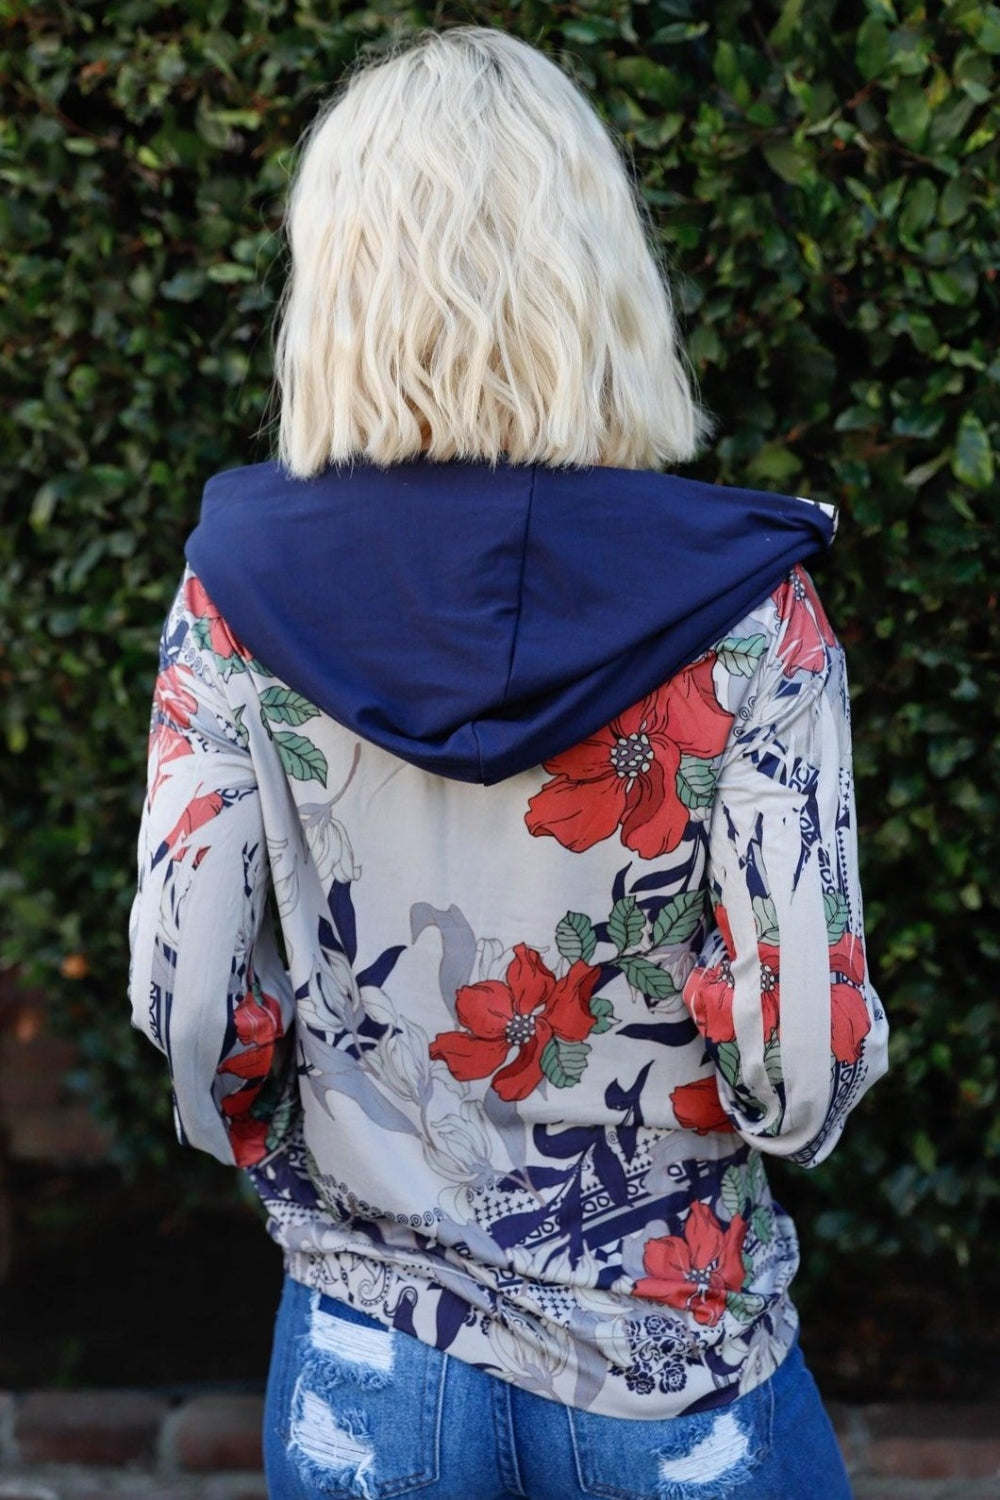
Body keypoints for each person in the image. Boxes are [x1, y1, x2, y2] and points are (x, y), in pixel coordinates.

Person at [129, 26, 888, 1499]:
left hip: (368, 1344)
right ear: (598, 274)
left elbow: (187, 986)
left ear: (337, 279)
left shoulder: (235, 584)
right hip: (674, 1356)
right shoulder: (747, 606)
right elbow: (801, 1061)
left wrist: (279, 1131)